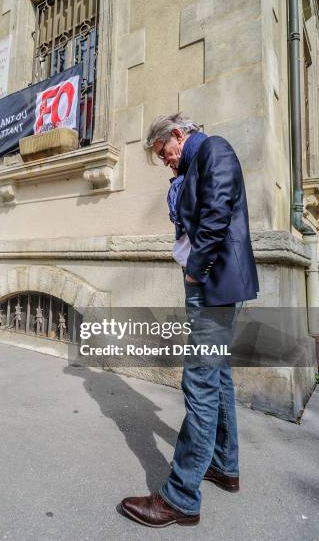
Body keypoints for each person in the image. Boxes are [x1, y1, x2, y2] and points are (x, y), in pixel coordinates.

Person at [120, 113, 259, 527]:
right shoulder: (198, 161)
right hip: (215, 285)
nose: (166, 161)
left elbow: (215, 215)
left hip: (212, 285)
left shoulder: (215, 149)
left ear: (178, 135)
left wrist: (195, 268)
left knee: (198, 383)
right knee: (217, 378)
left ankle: (180, 496)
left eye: (165, 153)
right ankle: (224, 466)